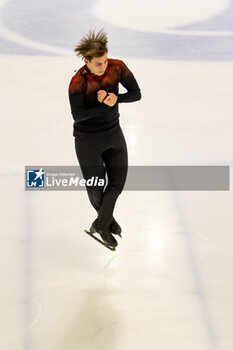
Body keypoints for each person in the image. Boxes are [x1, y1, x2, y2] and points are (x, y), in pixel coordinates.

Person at [68, 29, 141, 248]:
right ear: (86, 61)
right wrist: (103, 105)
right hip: (87, 141)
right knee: (96, 188)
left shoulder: (117, 67)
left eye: (105, 60)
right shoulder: (77, 82)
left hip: (113, 133)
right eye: (98, 63)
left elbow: (136, 94)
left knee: (117, 185)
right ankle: (105, 222)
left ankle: (102, 223)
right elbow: (78, 116)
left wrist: (114, 98)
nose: (104, 66)